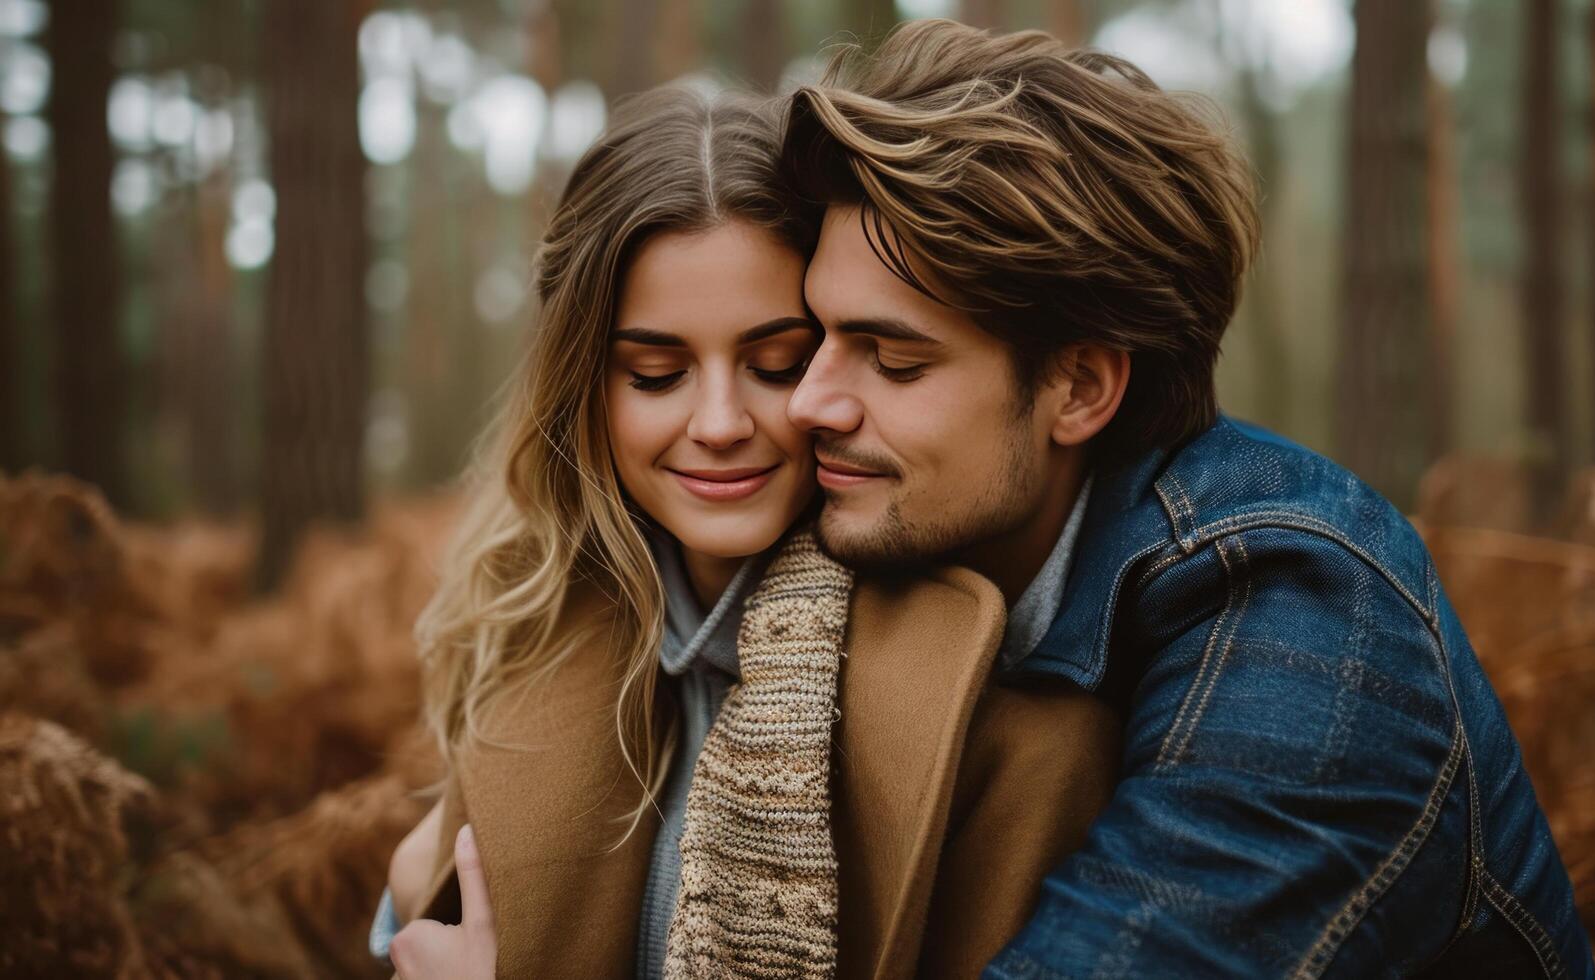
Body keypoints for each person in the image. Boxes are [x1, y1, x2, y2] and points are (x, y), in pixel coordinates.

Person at [777, 19, 1595, 978]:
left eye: (894, 359)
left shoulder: (1306, 600)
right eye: (813, 337)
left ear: (1079, 388)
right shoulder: (881, 546)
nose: (808, 402)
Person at [372, 85, 1120, 979]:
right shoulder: (529, 630)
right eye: (654, 374)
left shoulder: (1007, 723)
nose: (721, 422)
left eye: (778, 363)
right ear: (585, 392)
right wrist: (404, 893)